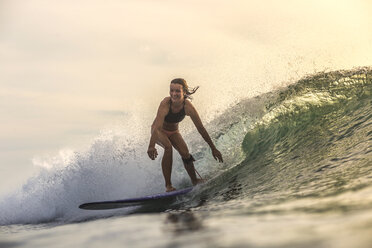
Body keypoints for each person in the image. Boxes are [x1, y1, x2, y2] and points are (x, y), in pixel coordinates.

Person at [147, 78, 223, 192]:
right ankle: (168, 185)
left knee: (185, 153)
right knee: (168, 147)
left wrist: (213, 148)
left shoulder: (188, 107)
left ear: (184, 93)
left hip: (174, 132)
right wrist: (151, 146)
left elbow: (201, 129)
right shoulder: (165, 104)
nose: (174, 94)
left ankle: (194, 180)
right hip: (158, 131)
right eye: (171, 90)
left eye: (177, 91)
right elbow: (157, 127)